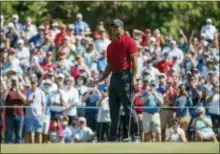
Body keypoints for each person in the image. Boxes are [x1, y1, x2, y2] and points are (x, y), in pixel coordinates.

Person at [94, 19, 139, 142]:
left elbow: (134, 61)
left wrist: (134, 78)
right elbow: (109, 65)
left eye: (117, 27)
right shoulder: (110, 46)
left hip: (125, 76)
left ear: (122, 28)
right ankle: (113, 137)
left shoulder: (129, 41)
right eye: (113, 27)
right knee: (113, 109)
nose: (114, 29)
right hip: (114, 77)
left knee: (128, 108)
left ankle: (135, 136)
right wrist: (101, 78)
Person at [4, 75, 26, 143]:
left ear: (18, 82)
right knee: (9, 134)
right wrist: (8, 88)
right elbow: (3, 99)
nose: (13, 82)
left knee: (19, 134)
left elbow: (24, 100)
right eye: (12, 81)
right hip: (9, 115)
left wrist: (17, 89)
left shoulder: (21, 90)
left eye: (15, 81)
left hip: (20, 115)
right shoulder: (8, 91)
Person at [25, 74, 45, 143]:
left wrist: (43, 114)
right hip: (29, 115)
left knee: (38, 132)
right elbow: (25, 103)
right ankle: (28, 148)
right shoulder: (27, 92)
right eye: (31, 83)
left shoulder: (41, 92)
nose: (33, 84)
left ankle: (38, 148)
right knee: (29, 132)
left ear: (37, 83)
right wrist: (30, 101)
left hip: (38, 115)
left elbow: (43, 104)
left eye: (34, 83)